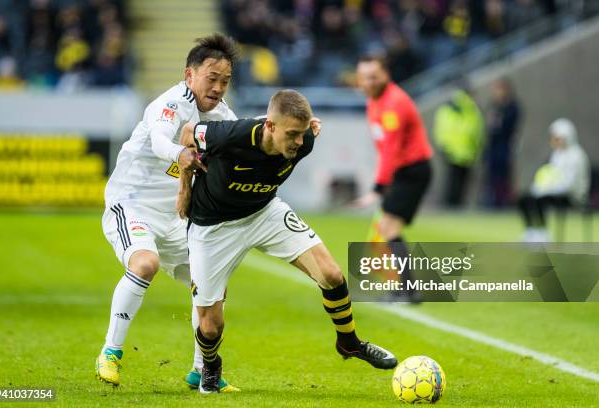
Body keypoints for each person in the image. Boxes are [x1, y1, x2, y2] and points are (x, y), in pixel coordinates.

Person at [177, 90, 397, 394]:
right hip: (213, 225)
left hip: (264, 212)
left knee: (332, 275)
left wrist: (303, 132)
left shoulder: (304, 141)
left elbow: (301, 134)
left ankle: (349, 343)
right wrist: (183, 191)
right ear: (269, 126)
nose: (297, 141)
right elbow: (187, 134)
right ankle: (211, 365)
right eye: (291, 134)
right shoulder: (231, 136)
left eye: (301, 133)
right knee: (211, 326)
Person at [96, 33, 239, 392]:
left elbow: (246, 146)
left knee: (211, 282)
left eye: (225, 81)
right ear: (189, 75)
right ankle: (110, 353)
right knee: (145, 263)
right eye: (212, 78)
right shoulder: (171, 103)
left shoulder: (222, 116)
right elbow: (161, 140)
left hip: (178, 216)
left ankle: (201, 370)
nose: (219, 87)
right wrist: (181, 155)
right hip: (133, 203)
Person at [352, 55, 433, 301]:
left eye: (374, 76)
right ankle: (405, 290)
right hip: (401, 172)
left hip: (412, 171)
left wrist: (378, 187)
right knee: (387, 228)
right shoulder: (373, 102)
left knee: (388, 228)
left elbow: (391, 149)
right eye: (365, 77)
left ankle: (406, 291)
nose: (369, 81)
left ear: (386, 74)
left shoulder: (394, 103)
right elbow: (383, 148)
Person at [518, 118, 590, 242]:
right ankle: (533, 232)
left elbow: (569, 185)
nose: (555, 141)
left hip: (572, 196)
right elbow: (550, 176)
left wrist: (546, 191)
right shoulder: (557, 155)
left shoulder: (577, 156)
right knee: (524, 198)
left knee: (541, 200)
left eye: (558, 138)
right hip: (554, 192)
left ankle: (544, 234)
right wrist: (539, 188)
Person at [433, 84, 485, 207]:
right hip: (466, 150)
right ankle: (455, 206)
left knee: (452, 182)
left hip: (451, 150)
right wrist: (478, 148)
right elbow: (477, 131)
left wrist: (442, 146)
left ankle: (449, 206)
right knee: (460, 182)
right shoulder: (472, 108)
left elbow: (440, 129)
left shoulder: (449, 107)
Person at [485, 78, 520, 208]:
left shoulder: (512, 106)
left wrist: (499, 123)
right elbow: (490, 126)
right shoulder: (494, 106)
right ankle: (494, 199)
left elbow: (507, 126)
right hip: (493, 146)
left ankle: (504, 200)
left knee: (504, 173)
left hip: (505, 145)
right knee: (492, 174)